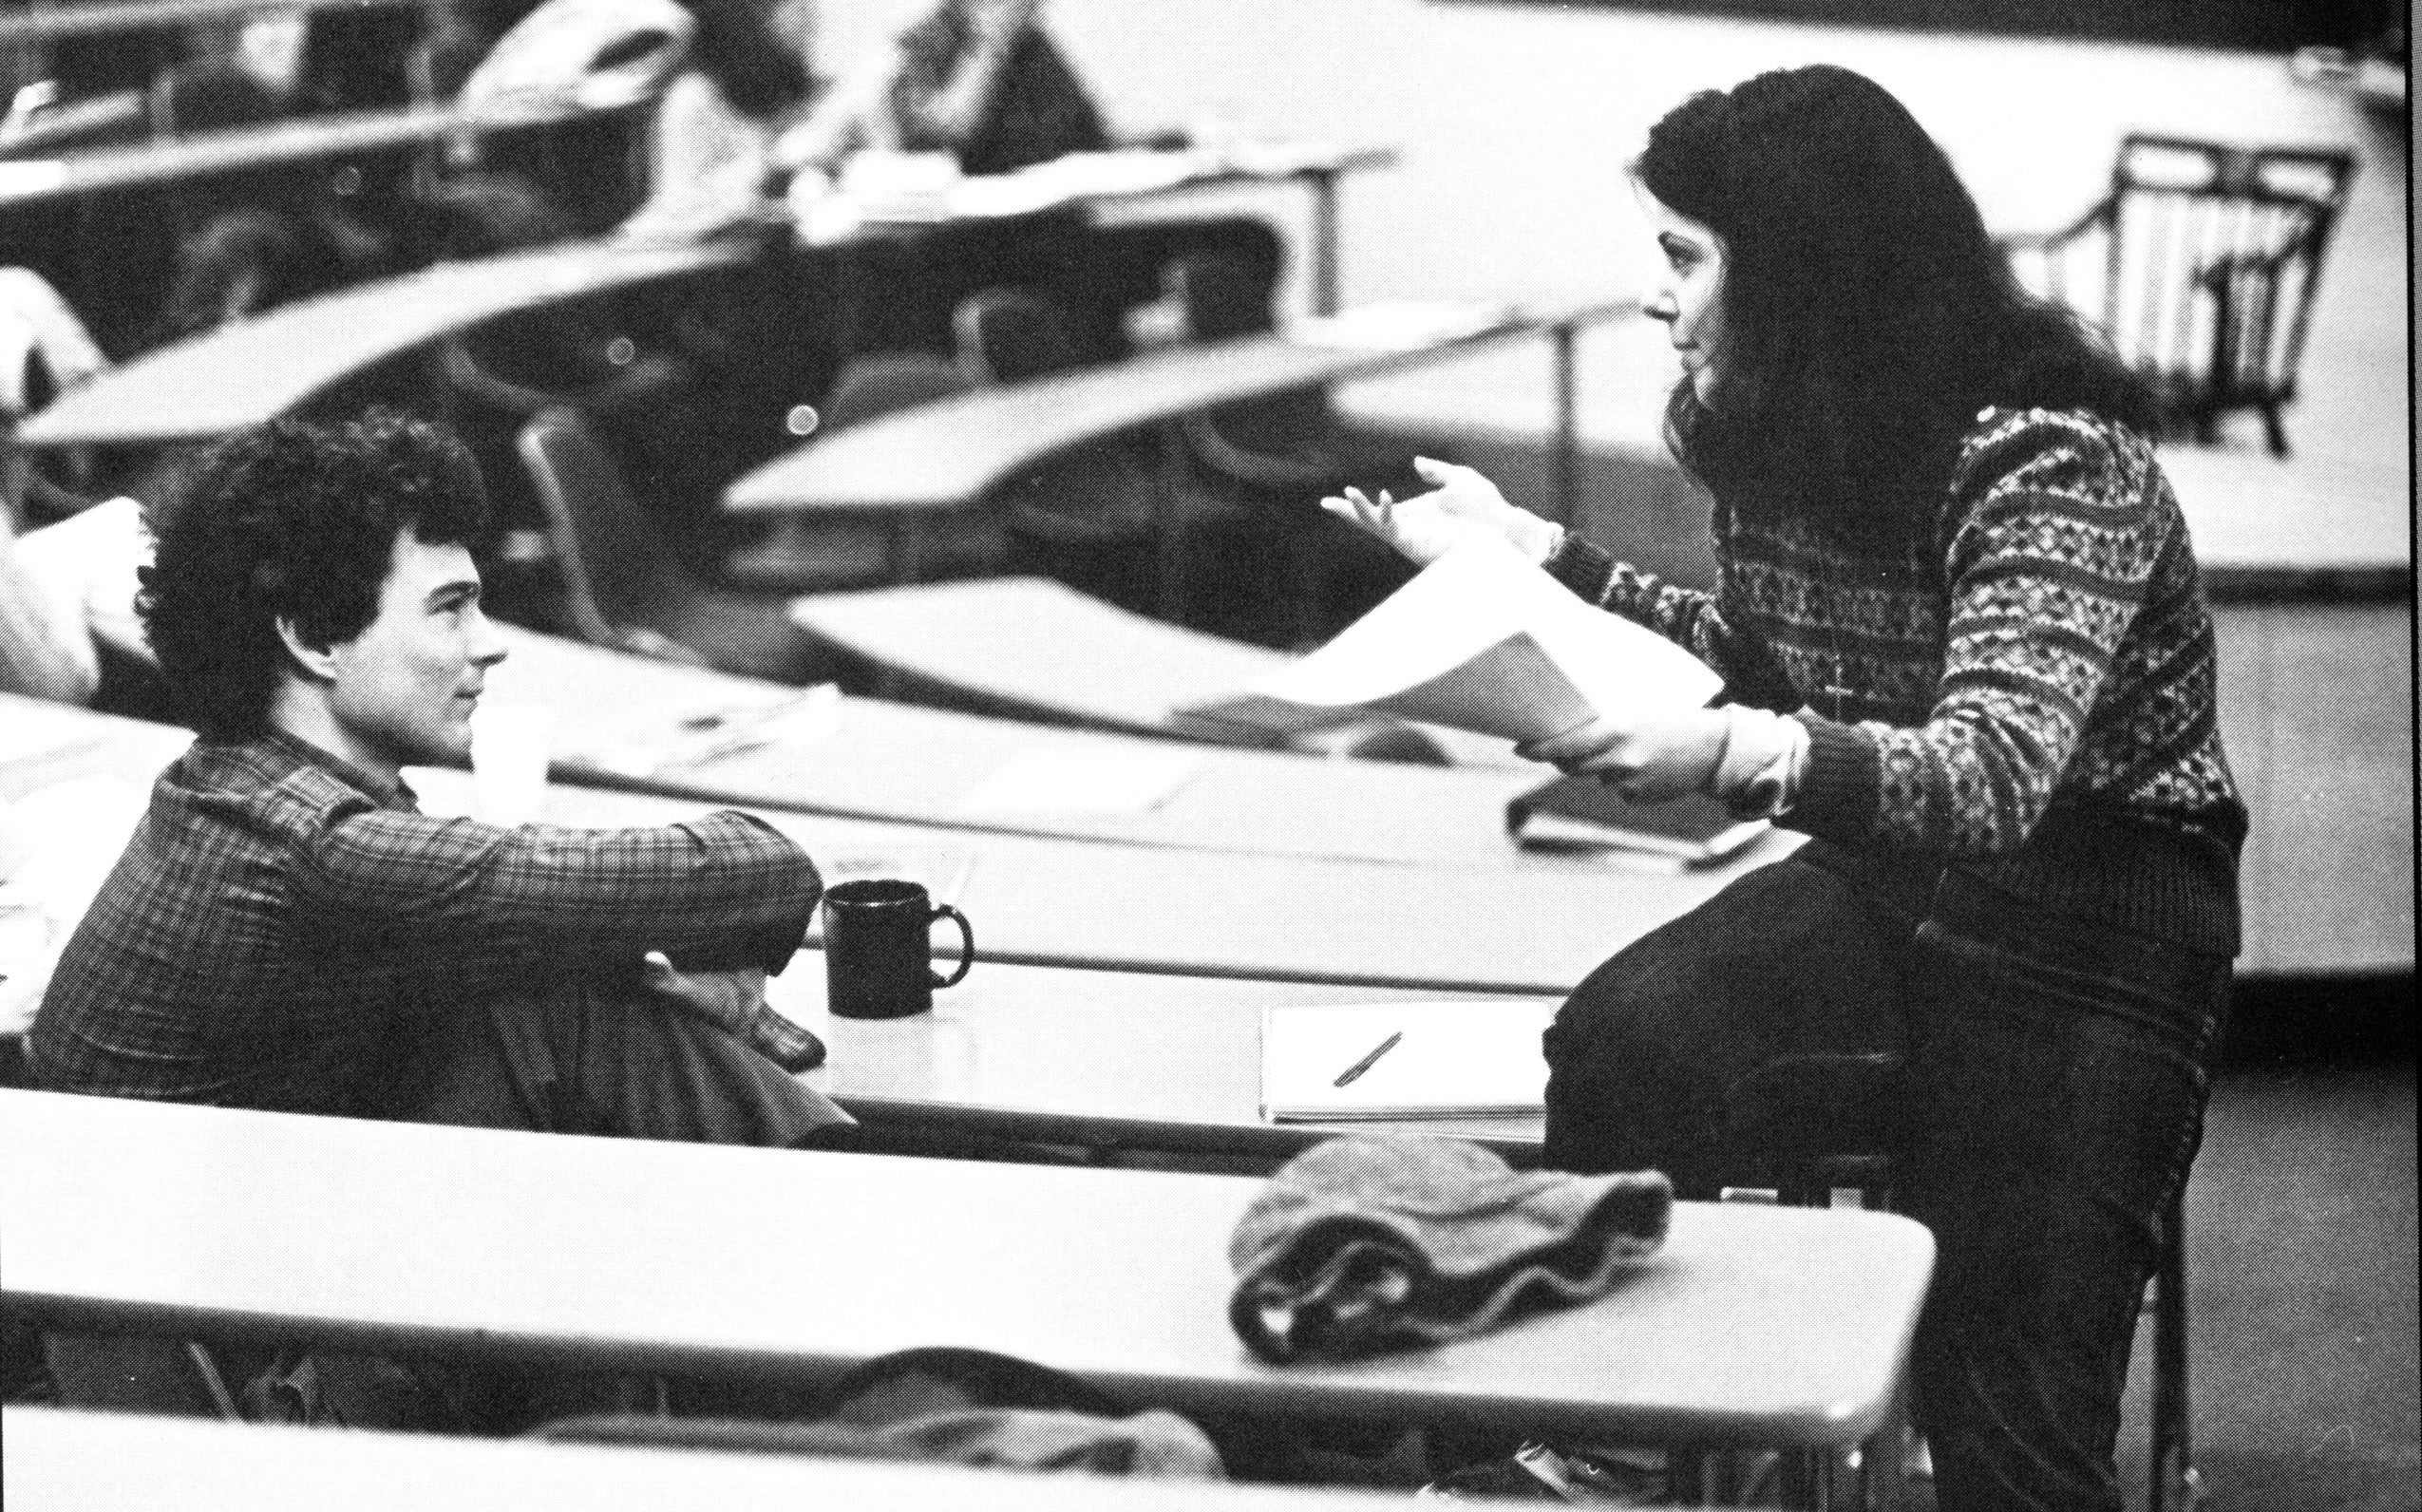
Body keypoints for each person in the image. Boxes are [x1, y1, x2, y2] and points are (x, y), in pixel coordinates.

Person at [1324, 66, 2242, 1512]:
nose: (1656, 296)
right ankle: (1615, 1450)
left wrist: (1734, 756)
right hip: (1887, 874)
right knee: (1627, 1037)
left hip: (2094, 910)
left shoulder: (2049, 455)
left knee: (2004, 1437)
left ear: (1806, 275)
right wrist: (1530, 555)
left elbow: (1991, 775)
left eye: (1683, 257)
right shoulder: (1787, 429)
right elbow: (1760, 658)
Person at [29, 408, 851, 1155]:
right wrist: (671, 967)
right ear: (315, 640)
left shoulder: (223, 780)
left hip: (216, 1220)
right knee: (573, 1020)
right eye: (450, 608)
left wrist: (632, 961)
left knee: (554, 1005)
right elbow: (759, 869)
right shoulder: (319, 849)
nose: (490, 644)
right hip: (206, 1300)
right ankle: (863, 1215)